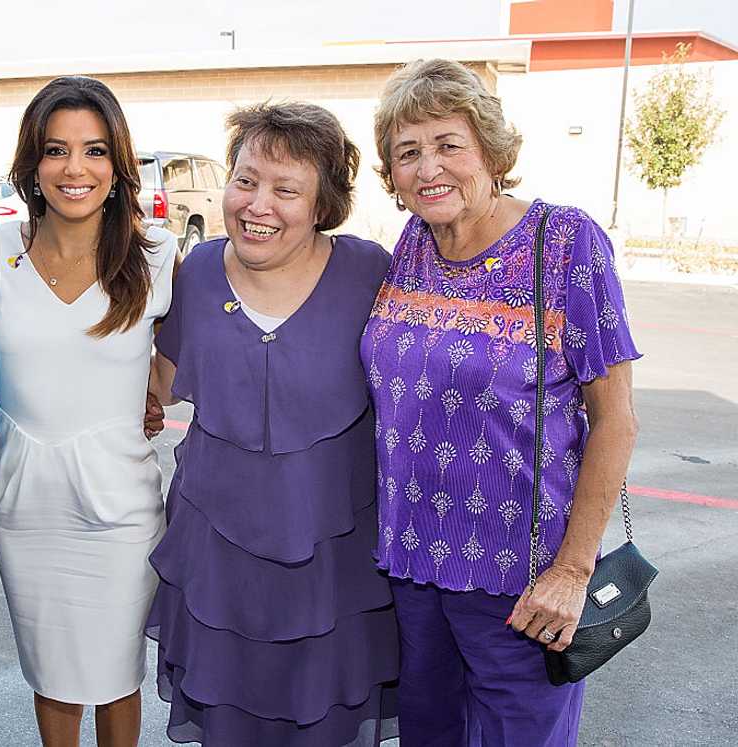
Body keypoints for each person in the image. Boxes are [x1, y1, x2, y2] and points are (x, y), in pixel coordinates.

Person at [361, 58, 642, 746]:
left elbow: (615, 420)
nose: (429, 167)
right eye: (408, 152)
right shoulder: (412, 245)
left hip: (521, 581)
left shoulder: (566, 243)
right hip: (413, 567)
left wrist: (573, 571)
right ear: (392, 176)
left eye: (448, 144)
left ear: (489, 149)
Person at [146, 102, 399, 746]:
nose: (257, 204)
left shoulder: (370, 272)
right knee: (231, 717)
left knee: (327, 721)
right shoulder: (198, 271)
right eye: (246, 180)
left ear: (322, 205)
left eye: (286, 189)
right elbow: (162, 385)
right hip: (219, 554)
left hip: (331, 557)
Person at [0, 76, 178, 747]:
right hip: (24, 504)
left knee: (115, 669)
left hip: (119, 508)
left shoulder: (156, 254)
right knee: (52, 669)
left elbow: (175, 363)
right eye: (56, 150)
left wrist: (151, 394)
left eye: (95, 151)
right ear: (31, 166)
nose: (75, 169)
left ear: (117, 166)